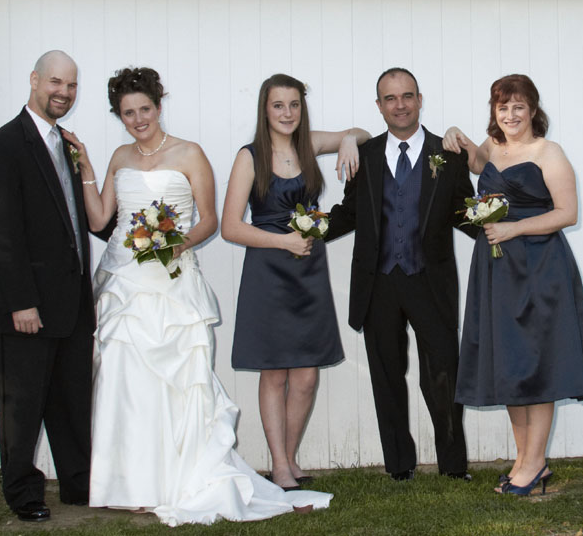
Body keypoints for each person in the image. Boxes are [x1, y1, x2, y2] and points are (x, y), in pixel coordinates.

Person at [66, 67, 331, 525]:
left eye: (144, 109)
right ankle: (127, 482)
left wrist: (174, 245)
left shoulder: (190, 153)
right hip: (126, 283)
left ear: (158, 106)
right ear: (119, 116)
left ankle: (180, 476)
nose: (138, 119)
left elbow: (209, 220)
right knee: (125, 380)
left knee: (180, 379)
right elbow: (99, 220)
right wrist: (88, 171)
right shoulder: (118, 156)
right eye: (128, 113)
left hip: (171, 279)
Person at [443, 73, 583, 495]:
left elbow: (567, 213)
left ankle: (534, 464)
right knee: (511, 362)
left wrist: (515, 230)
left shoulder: (548, 152)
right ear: (494, 112)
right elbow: (476, 160)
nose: (510, 115)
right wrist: (455, 134)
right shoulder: (494, 147)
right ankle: (525, 460)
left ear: (533, 109)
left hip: (539, 267)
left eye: (518, 106)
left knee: (538, 363)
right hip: (497, 270)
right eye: (502, 107)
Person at [326, 68, 477, 481]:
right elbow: (351, 213)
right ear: (379, 106)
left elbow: (464, 210)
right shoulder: (367, 155)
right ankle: (399, 467)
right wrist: (309, 231)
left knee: (443, 375)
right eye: (390, 98)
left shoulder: (447, 154)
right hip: (379, 282)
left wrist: (498, 229)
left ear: (420, 99)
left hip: (431, 280)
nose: (400, 105)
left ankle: (452, 467)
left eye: (407, 96)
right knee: (387, 378)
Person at [221, 73, 369, 490]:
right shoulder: (249, 156)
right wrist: (282, 240)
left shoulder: (309, 144)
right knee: (275, 373)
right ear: (264, 110)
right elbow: (231, 227)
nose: (287, 113)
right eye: (278, 105)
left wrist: (346, 140)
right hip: (268, 270)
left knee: (306, 374)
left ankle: (288, 457)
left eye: (294, 105)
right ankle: (281, 464)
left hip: (308, 269)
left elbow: (363, 132)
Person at [0, 50, 101, 522]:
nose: (63, 93)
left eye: (70, 86)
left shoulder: (67, 145)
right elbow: (0, 233)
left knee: (70, 401)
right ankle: (23, 493)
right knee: (22, 405)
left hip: (68, 304)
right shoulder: (5, 145)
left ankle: (77, 485)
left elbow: (73, 222)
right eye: (55, 82)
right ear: (33, 81)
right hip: (22, 306)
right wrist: (22, 302)